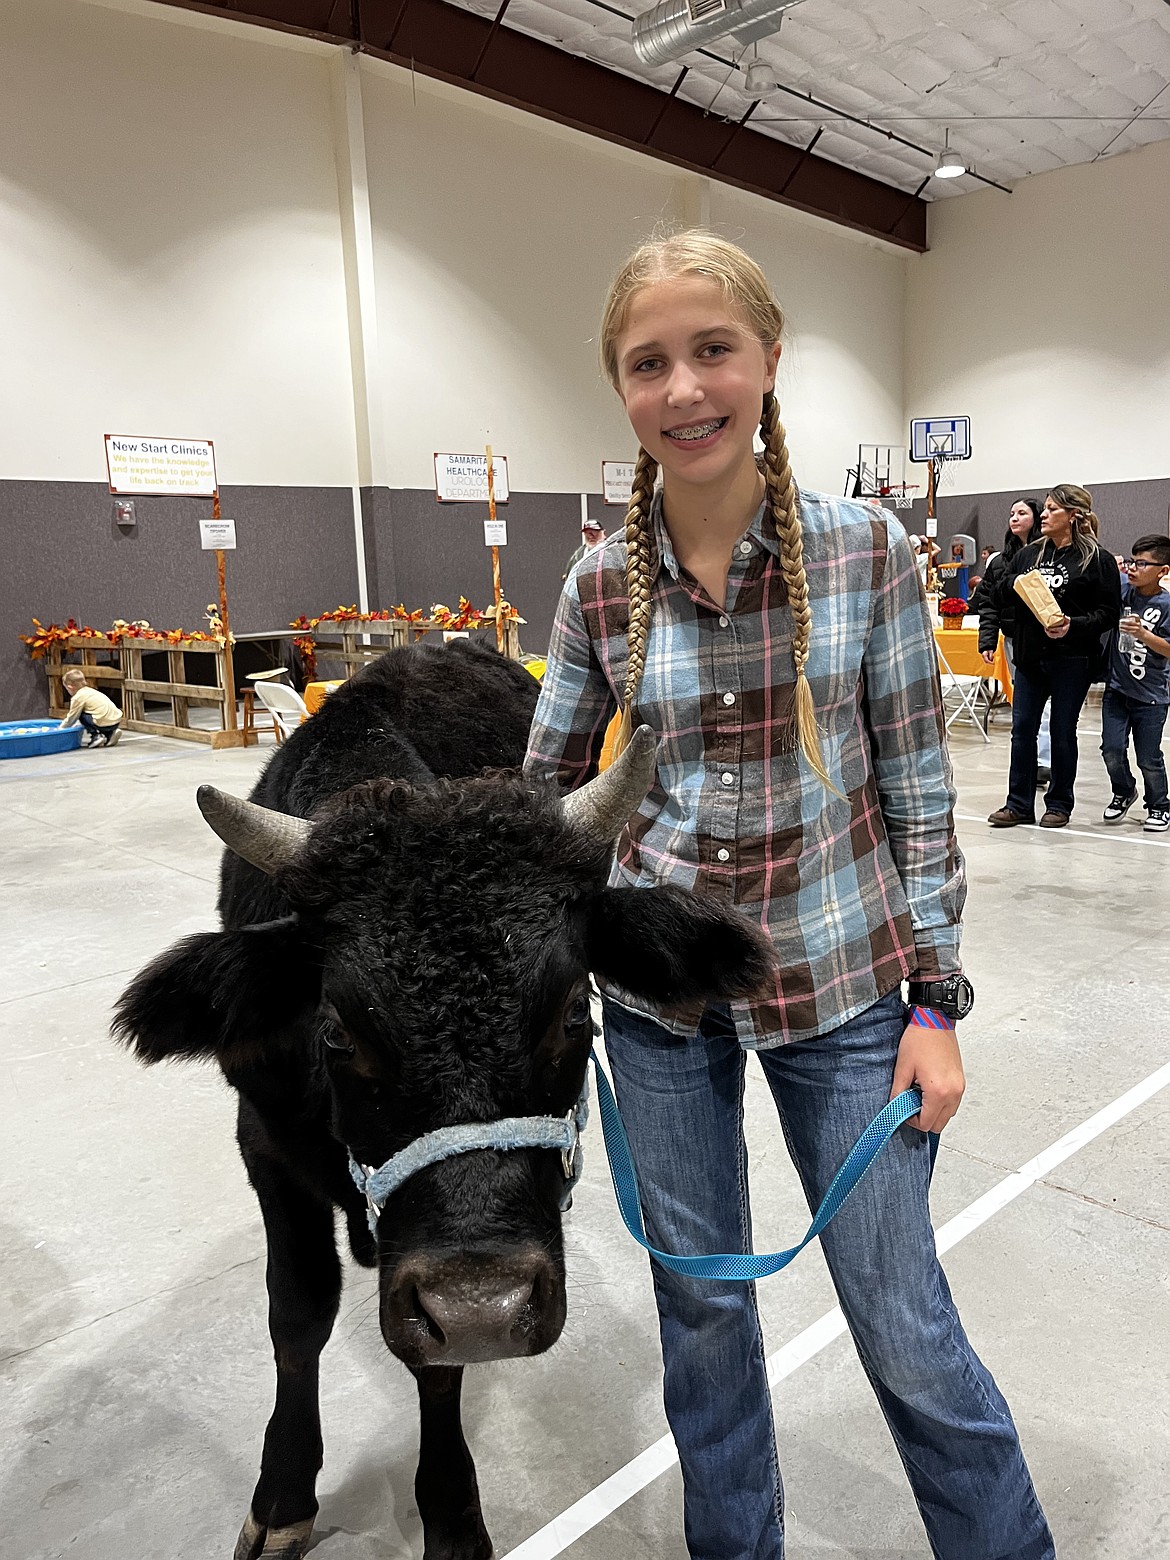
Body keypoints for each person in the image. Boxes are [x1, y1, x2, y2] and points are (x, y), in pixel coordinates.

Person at [527, 230, 1053, 1560]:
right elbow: (537, 808)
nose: (684, 387)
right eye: (648, 364)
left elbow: (919, 796)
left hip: (839, 994)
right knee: (701, 1326)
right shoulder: (596, 586)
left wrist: (933, 1003)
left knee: (902, 1325)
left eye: (712, 350)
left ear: (765, 362)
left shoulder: (864, 551)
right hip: (654, 1010)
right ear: (621, 389)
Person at [988, 484, 1121, 830]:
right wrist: (1018, 582)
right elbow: (1000, 592)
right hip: (1031, 657)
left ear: (1073, 516)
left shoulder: (1097, 559)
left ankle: (1059, 803)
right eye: (1044, 509)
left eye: (1052, 509)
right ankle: (1018, 803)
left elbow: (1109, 613)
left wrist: (1072, 625)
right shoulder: (1029, 555)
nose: (1043, 515)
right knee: (1022, 730)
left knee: (1062, 732)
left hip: (1072, 659)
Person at [977, 498, 1052, 782]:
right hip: (1013, 640)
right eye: (1011, 513)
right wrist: (987, 640)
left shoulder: (1049, 554)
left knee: (1047, 703)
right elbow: (988, 602)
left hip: (1048, 639)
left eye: (1022, 513)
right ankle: (1030, 762)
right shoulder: (999, 561)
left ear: (1037, 517)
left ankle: (1045, 760)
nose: (1015, 518)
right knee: (1023, 700)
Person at [1100, 535, 1170, 832]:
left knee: (1148, 757)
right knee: (1111, 749)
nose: (1133, 568)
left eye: (1142, 563)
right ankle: (1124, 790)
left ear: (1162, 570)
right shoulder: (1123, 591)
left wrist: (1144, 635)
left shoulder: (1166, 604)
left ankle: (1159, 805)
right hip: (1116, 689)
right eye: (1131, 561)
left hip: (1152, 696)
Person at [58, 667, 122, 746]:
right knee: (96, 714)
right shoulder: (91, 691)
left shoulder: (77, 697)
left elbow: (72, 718)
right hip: (116, 721)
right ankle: (111, 733)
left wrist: (60, 729)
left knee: (81, 714)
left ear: (70, 687)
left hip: (102, 723)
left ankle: (96, 736)